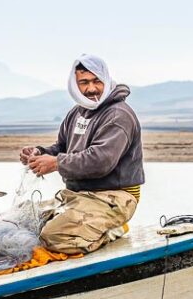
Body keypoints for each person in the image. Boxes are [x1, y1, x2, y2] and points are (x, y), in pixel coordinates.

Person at [20, 55, 144, 254]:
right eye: (84, 82)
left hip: (113, 198)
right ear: (74, 84)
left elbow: (101, 160)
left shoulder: (117, 115)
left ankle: (112, 230)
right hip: (78, 196)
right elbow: (62, 148)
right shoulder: (77, 112)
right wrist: (40, 153)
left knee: (53, 237)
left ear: (106, 80)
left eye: (97, 81)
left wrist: (56, 163)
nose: (91, 89)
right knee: (24, 221)